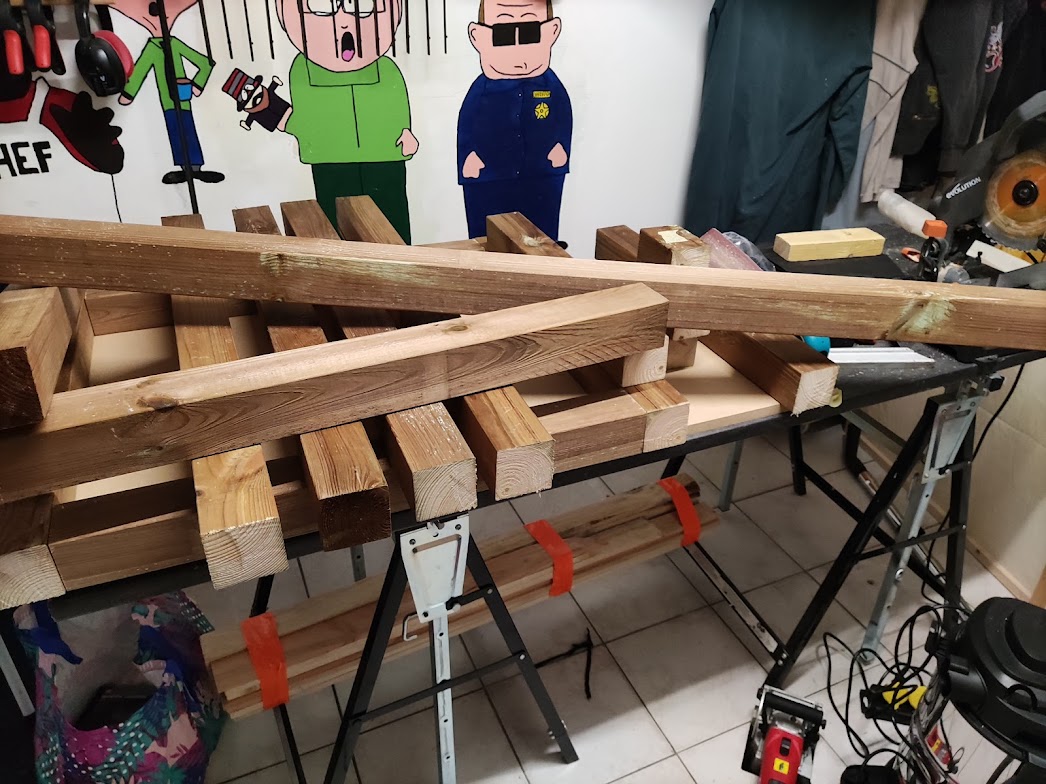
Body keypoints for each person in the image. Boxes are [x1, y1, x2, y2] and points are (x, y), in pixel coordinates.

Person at [273, 0, 418, 242]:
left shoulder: (386, 69)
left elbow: (397, 106)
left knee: (392, 223)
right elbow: (304, 120)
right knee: (336, 225)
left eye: (363, 7)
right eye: (320, 8)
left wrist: (406, 133)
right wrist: (279, 117)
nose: (344, 22)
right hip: (331, 160)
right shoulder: (303, 71)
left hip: (385, 157)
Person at [458, 0, 572, 241]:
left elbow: (562, 117)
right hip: (489, 176)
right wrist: (469, 156)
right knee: (487, 233)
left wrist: (560, 146)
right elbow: (467, 125)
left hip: (541, 172)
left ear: (551, 32)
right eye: (503, 35)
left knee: (541, 230)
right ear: (478, 37)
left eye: (530, 33)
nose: (518, 48)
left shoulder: (550, 86)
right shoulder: (482, 89)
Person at [113, 0, 223, 185]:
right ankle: (184, 169)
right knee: (175, 131)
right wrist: (129, 93)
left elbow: (205, 63)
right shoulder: (153, 48)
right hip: (167, 102)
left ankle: (196, 168)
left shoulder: (175, 44)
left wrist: (196, 85)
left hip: (183, 98)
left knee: (188, 130)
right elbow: (139, 70)